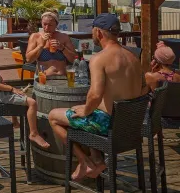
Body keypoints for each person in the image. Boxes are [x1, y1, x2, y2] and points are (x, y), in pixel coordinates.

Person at [48, 13, 147, 181]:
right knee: (85, 110)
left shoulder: (99, 59)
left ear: (99, 33)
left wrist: (86, 110)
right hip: (130, 125)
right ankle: (97, 159)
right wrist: (90, 108)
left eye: (93, 31)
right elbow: (143, 89)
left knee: (53, 116)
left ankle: (84, 161)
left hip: (108, 126)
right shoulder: (133, 57)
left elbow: (94, 95)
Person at [0, 37, 50, 149]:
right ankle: (33, 133)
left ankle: (15, 122)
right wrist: (11, 89)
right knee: (32, 103)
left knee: (19, 94)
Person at [26, 11, 76, 76]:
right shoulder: (35, 37)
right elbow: (28, 59)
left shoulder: (64, 37)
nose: (46, 28)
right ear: (41, 23)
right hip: (43, 79)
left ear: (56, 25)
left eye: (50, 25)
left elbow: (74, 60)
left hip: (62, 78)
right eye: (44, 24)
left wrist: (63, 48)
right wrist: (41, 45)